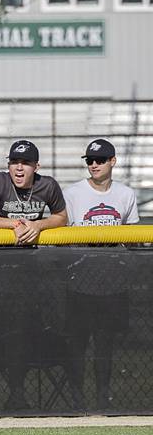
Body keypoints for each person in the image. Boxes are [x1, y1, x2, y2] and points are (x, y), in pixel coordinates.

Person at [0, 140, 68, 410]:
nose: (19, 168)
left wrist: (39, 225)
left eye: (25, 163)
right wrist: (15, 223)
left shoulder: (47, 185)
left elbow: (61, 217)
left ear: (37, 166)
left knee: (22, 334)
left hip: (28, 276)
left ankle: (16, 392)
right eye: (14, 162)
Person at [63, 138, 139, 409]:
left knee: (105, 346)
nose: (94, 165)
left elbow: (133, 236)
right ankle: (76, 399)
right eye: (90, 161)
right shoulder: (73, 194)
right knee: (77, 346)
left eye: (100, 160)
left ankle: (103, 396)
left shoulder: (125, 194)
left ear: (113, 161)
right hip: (80, 283)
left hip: (112, 284)